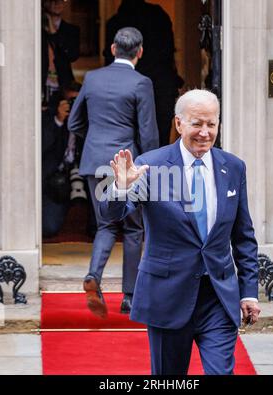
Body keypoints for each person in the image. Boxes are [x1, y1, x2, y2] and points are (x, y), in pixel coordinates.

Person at [100, 89, 261, 375]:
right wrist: (120, 188)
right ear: (179, 124)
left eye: (211, 124)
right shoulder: (152, 165)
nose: (204, 132)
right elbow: (113, 215)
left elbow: (243, 236)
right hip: (168, 297)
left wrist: (249, 293)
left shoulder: (233, 167)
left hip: (218, 297)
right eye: (197, 123)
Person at [68, 27, 159, 316]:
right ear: (140, 51)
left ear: (112, 48)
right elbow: (147, 132)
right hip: (126, 165)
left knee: (106, 224)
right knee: (133, 228)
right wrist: (148, 166)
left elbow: (73, 123)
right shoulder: (141, 82)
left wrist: (95, 143)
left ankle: (94, 275)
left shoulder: (92, 78)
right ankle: (130, 296)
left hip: (95, 161)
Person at [104, 0, 184, 147]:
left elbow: (110, 61)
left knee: (127, 140)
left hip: (127, 89)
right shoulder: (159, 15)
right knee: (160, 140)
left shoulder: (115, 23)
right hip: (160, 86)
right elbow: (169, 52)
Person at [42, 81, 81, 237]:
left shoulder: (91, 120)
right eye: (70, 102)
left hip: (82, 175)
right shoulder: (50, 119)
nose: (74, 107)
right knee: (50, 227)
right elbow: (42, 145)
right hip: (56, 179)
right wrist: (58, 120)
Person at [42, 0, 80, 103]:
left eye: (62, 0)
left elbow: (73, 56)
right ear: (45, 3)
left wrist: (55, 34)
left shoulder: (72, 30)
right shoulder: (37, 30)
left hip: (63, 85)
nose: (58, 3)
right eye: (53, 0)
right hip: (41, 84)